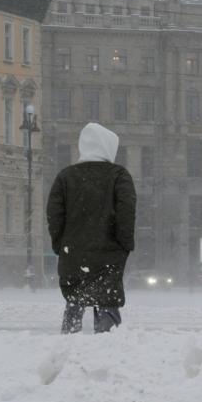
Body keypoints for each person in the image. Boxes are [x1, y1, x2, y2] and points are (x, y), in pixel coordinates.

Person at [46, 123, 136, 334]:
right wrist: (125, 245)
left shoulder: (65, 177)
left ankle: (67, 349)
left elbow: (54, 215)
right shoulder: (118, 176)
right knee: (107, 303)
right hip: (109, 255)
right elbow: (127, 213)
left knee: (75, 302)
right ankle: (106, 350)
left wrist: (60, 245)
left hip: (73, 254)